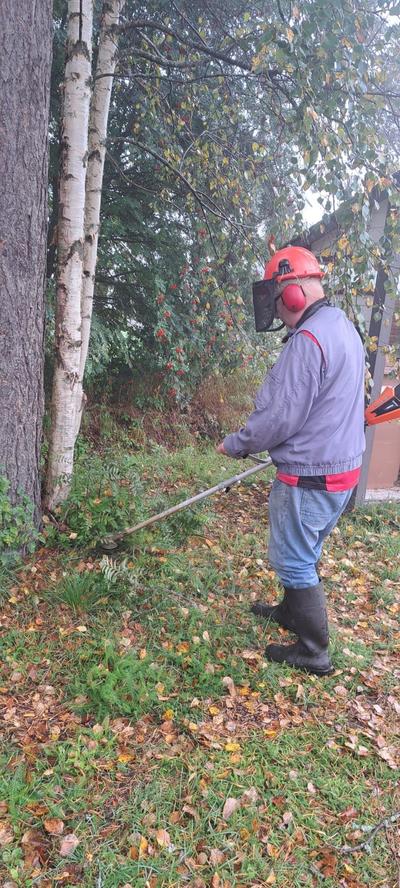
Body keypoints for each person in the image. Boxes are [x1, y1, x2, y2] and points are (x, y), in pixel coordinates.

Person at [217, 246, 365, 675]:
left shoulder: (308, 341)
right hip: (340, 469)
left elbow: (278, 417)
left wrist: (237, 444)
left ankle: (314, 650)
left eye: (278, 300)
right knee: (307, 548)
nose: (279, 311)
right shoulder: (343, 327)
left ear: (294, 293)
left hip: (311, 474)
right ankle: (290, 610)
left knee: (295, 559)